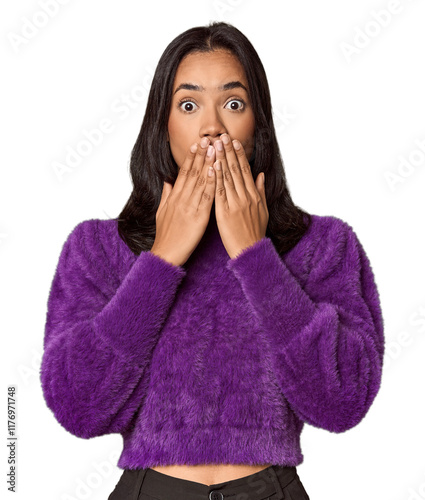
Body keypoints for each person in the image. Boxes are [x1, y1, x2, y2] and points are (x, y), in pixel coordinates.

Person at [40, 21, 385, 500]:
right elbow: (78, 408)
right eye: (188, 104)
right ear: (162, 125)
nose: (212, 128)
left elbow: (343, 402)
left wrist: (255, 257)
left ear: (258, 123)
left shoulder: (323, 245)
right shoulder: (97, 249)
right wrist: (160, 261)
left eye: (233, 104)